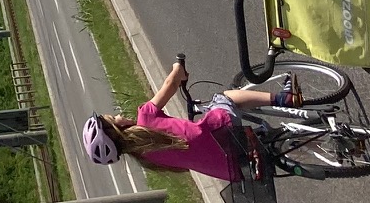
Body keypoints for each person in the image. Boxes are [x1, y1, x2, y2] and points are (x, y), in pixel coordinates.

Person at [81, 59, 299, 180]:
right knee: (226, 98)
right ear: (116, 127)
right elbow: (171, 84)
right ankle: (283, 98)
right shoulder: (144, 117)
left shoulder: (147, 159)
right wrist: (179, 69)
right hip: (221, 133)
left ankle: (321, 140)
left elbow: (184, 163)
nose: (119, 115)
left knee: (273, 141)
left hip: (234, 171)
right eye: (114, 117)